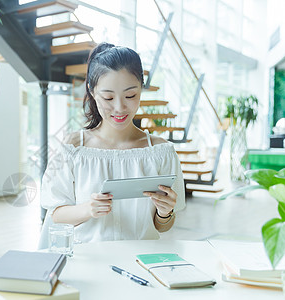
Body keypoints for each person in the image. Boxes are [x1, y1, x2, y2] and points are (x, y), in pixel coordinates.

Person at [38, 42, 185, 249]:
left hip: (142, 261)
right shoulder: (74, 148)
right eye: (108, 97)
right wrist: (88, 209)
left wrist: (164, 212)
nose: (119, 107)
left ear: (141, 89)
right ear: (91, 90)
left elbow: (163, 227)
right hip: (89, 262)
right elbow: (56, 214)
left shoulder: (161, 153)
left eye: (130, 96)